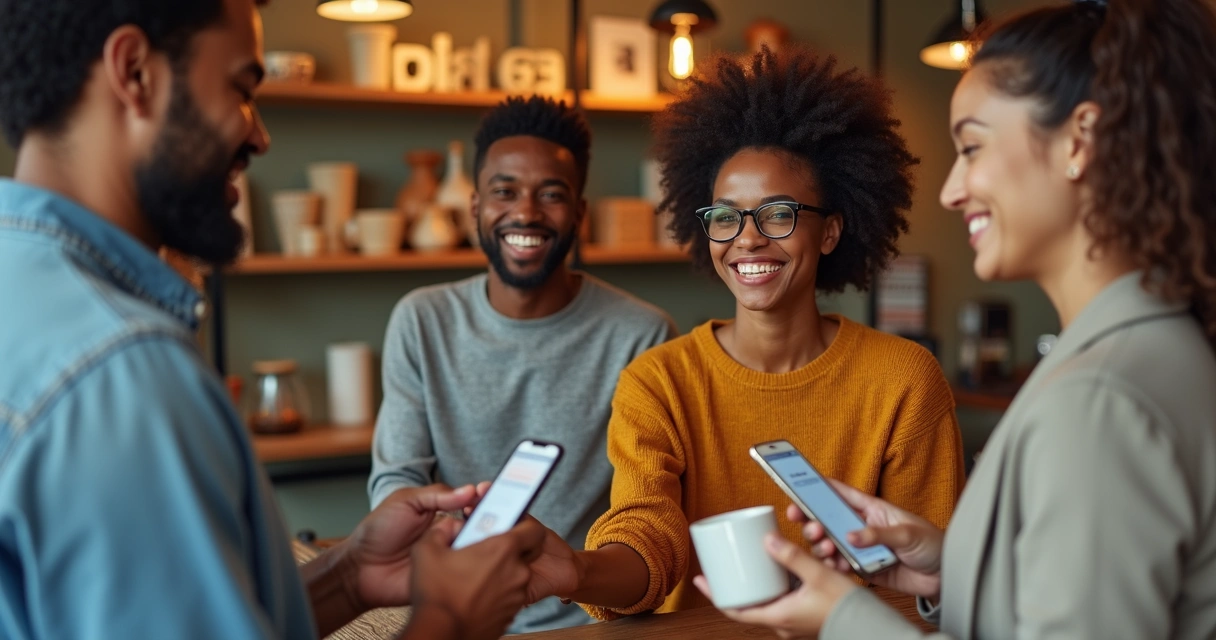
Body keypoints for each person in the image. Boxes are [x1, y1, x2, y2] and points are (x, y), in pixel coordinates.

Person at [0, 1, 545, 638]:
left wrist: (347, 576)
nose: (259, 135)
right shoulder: (125, 373)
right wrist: (452, 618)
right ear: (134, 73)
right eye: (240, 90)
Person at [709, 1, 1216, 638]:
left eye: (972, 147)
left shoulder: (1098, 396)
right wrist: (951, 570)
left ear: (1080, 141)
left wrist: (844, 620)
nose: (951, 190)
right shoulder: (1147, 348)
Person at [521, 45, 965, 627]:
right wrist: (580, 571)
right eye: (726, 217)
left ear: (830, 231)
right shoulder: (658, 382)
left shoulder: (903, 379)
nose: (748, 239)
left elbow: (927, 583)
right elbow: (650, 533)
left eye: (777, 213)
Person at [367, 94, 678, 634]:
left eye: (551, 194)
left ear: (579, 214)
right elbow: (397, 479)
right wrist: (459, 550)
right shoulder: (422, 320)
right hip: (452, 608)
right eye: (504, 191)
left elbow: (646, 513)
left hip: (586, 617)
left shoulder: (641, 334)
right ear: (475, 208)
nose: (526, 213)